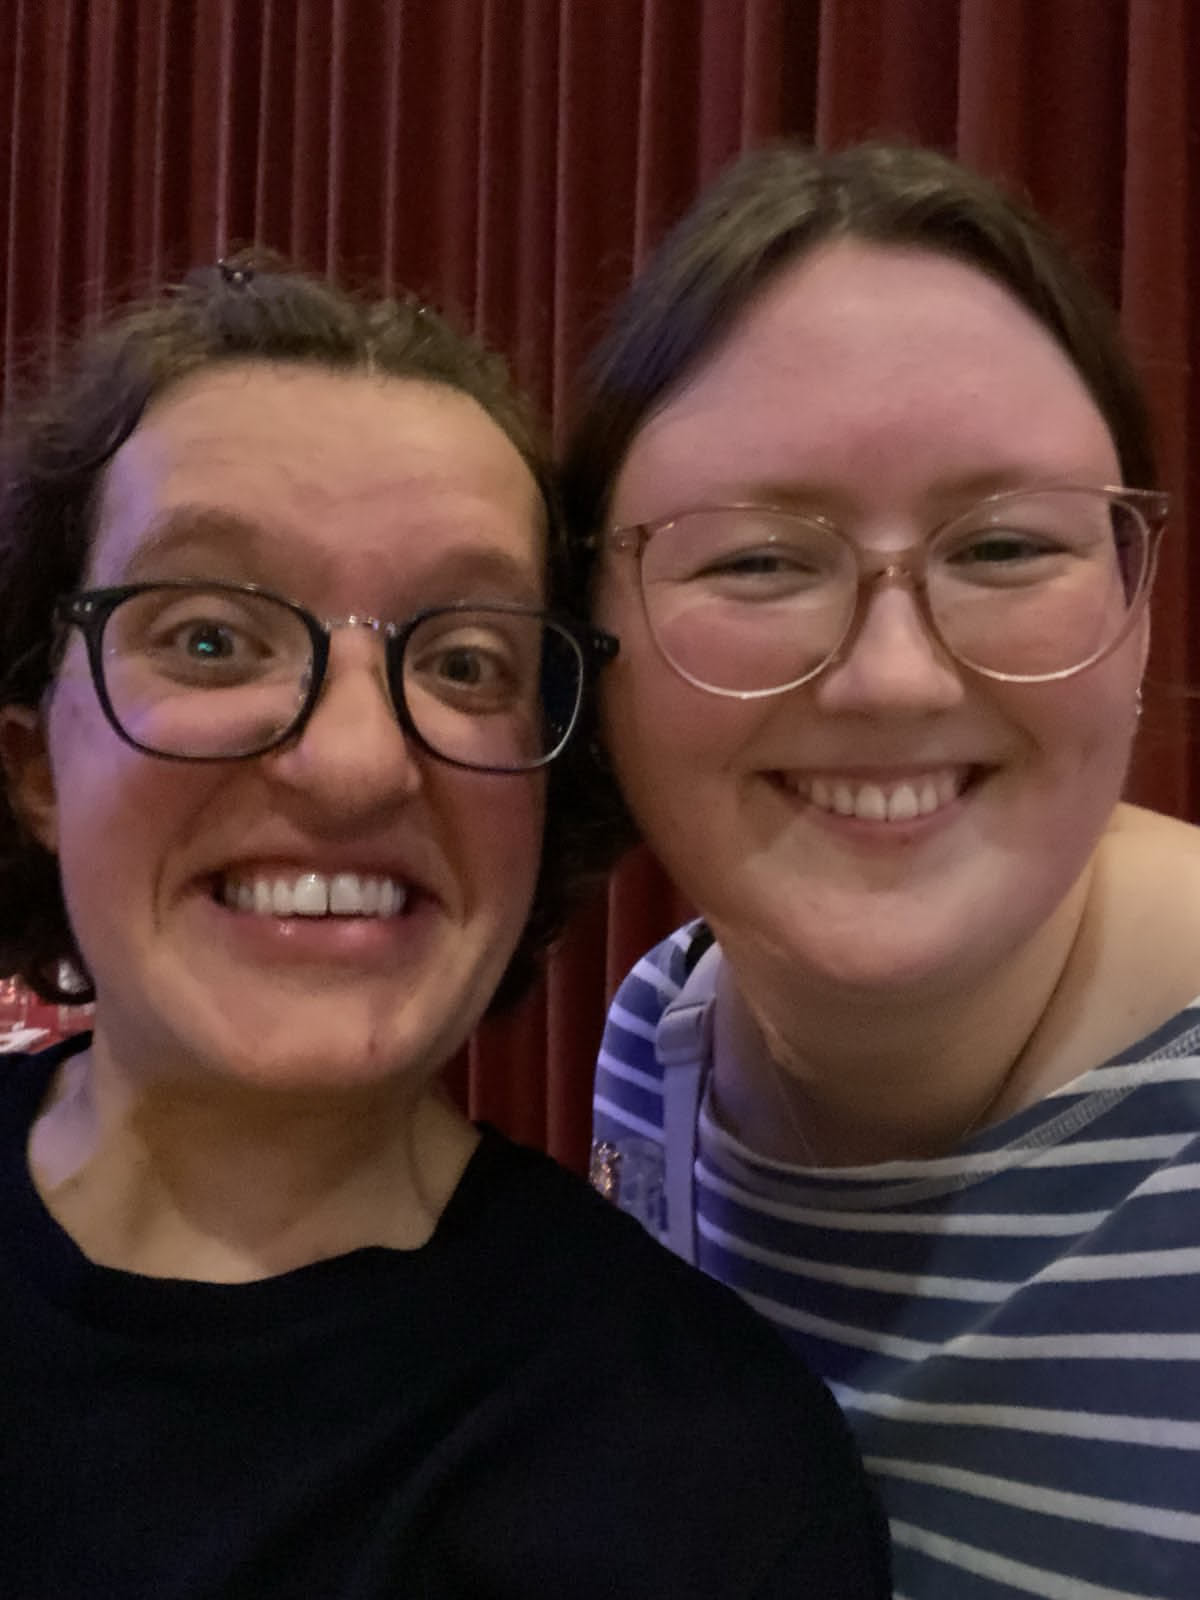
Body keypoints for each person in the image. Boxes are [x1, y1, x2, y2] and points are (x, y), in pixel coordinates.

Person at [0, 257, 890, 1598]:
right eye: (208, 639)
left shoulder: (707, 1484)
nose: (354, 764)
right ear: (37, 769)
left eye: (467, 661)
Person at [564, 142, 1200, 1600]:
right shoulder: (659, 1047)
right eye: (758, 563)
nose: (894, 677)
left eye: (1007, 545)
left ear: (1139, 607)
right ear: (592, 639)